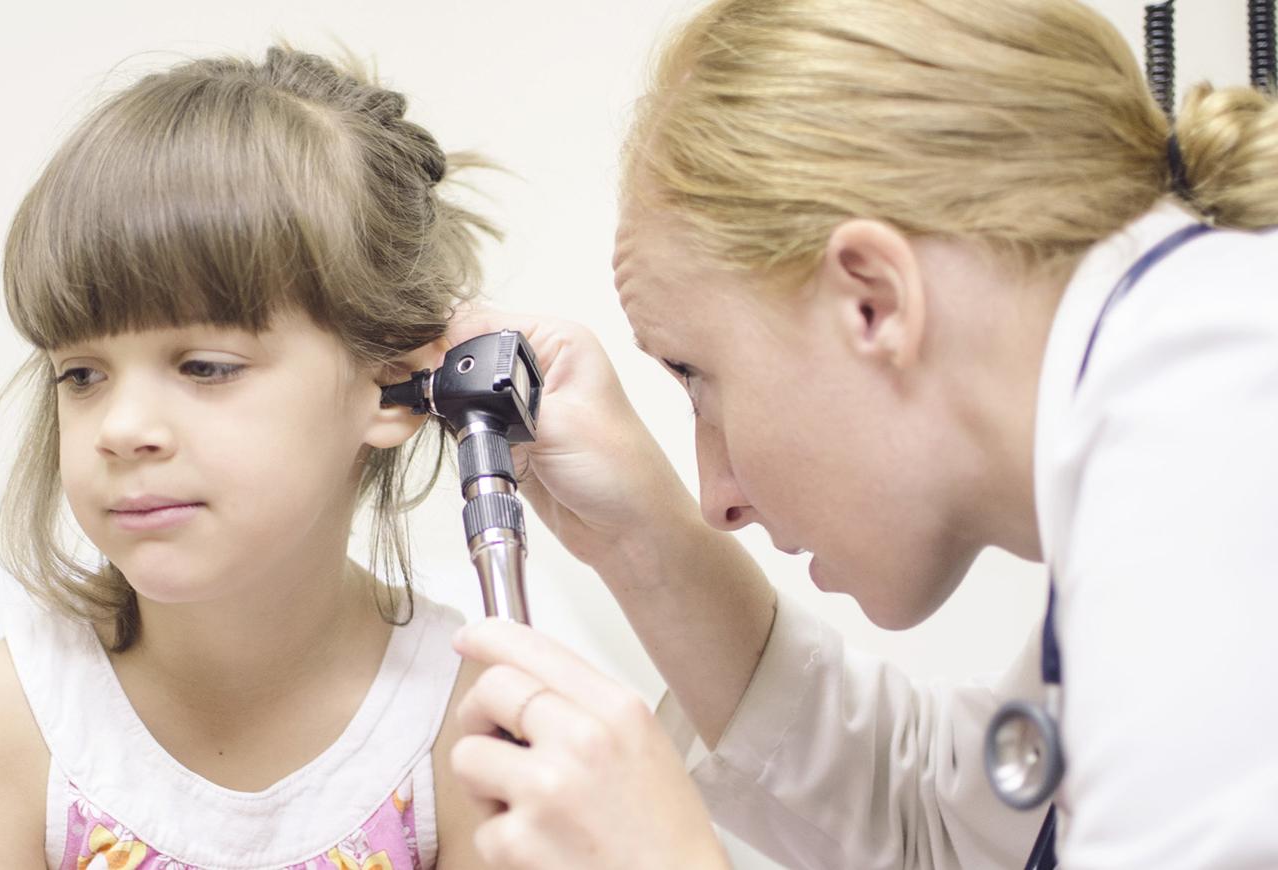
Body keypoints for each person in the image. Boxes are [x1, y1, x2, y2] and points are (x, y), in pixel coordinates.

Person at [444, 0, 1278, 866]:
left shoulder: (1219, 478)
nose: (717, 499)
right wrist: (642, 536)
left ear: (873, 302)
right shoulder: (1181, 410)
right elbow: (969, 834)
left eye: (700, 379)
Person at [0, 47, 498, 869]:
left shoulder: (470, 729)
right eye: (81, 374)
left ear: (392, 381)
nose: (121, 427)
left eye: (205, 368)